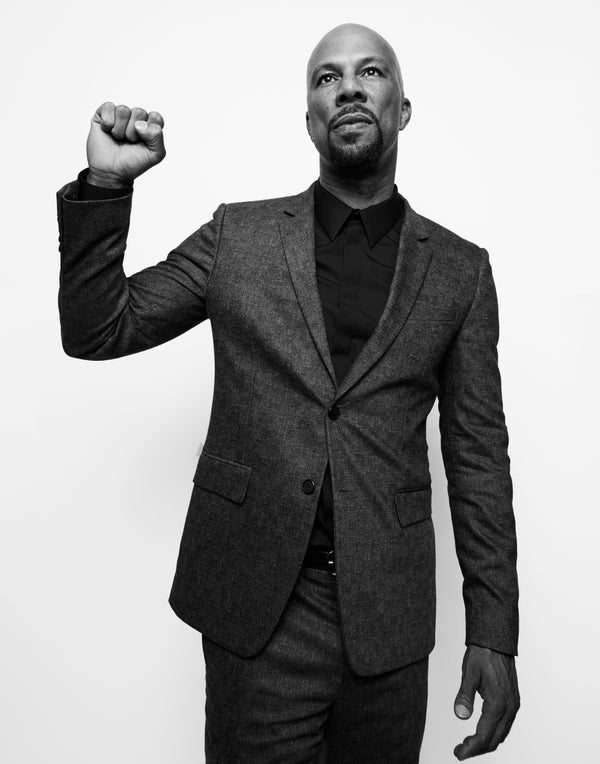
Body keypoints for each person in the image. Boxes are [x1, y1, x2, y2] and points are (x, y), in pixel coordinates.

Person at [56, 22, 520, 763]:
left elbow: (478, 458)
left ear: (402, 109)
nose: (349, 88)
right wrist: (108, 185)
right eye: (327, 78)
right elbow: (98, 328)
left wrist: (493, 630)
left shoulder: (461, 272)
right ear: (309, 119)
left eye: (370, 72)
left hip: (389, 618)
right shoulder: (237, 238)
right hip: (258, 613)